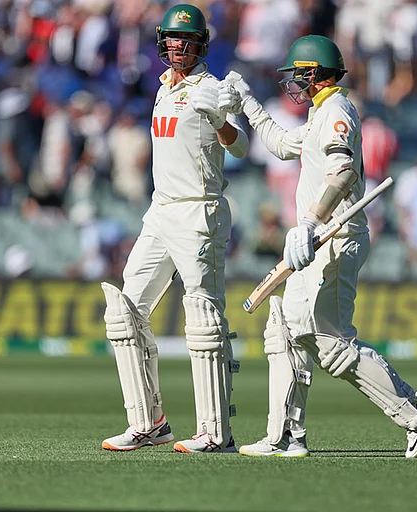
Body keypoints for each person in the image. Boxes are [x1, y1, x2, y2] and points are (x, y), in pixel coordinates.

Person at [219, 35, 417, 458]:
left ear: (314, 75)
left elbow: (342, 175)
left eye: (296, 76)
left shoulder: (338, 112)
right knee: (284, 327)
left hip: (336, 238)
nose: (291, 85)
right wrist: (247, 103)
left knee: (330, 343)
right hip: (318, 238)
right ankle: (286, 434)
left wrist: (309, 222)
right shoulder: (322, 112)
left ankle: (416, 409)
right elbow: (284, 145)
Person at [99, 4, 249, 454]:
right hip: (160, 212)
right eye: (170, 38)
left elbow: (240, 145)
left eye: (185, 40)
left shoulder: (212, 88)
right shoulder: (162, 89)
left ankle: (215, 432)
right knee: (125, 312)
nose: (176, 45)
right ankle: (149, 423)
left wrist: (221, 120)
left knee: (203, 321)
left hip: (198, 213)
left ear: (200, 45)